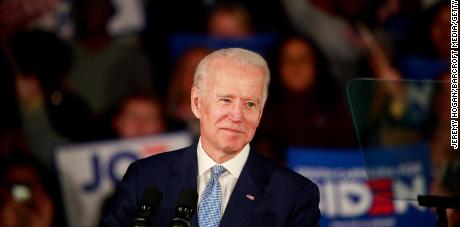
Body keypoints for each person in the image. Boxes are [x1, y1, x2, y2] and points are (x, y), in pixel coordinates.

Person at [101, 48, 320, 226]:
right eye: (226, 100)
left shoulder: (293, 194)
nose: (236, 115)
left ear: (260, 114)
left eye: (250, 104)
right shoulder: (145, 178)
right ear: (197, 103)